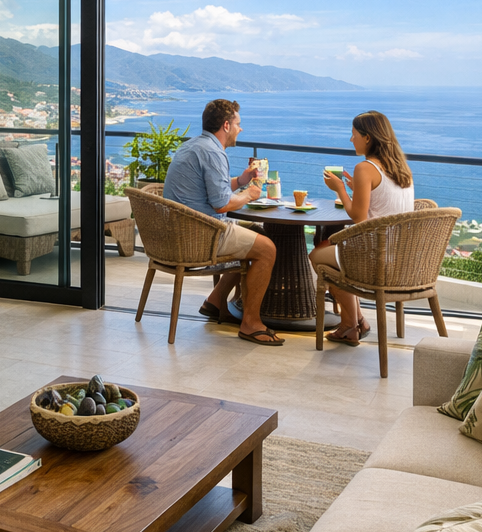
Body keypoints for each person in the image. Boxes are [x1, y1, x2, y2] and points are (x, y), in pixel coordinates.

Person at [162, 98, 283, 346]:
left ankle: (215, 301)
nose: (241, 129)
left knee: (257, 232)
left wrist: (240, 181)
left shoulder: (194, 146)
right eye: (238, 123)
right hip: (200, 237)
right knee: (267, 249)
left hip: (178, 233)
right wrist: (249, 194)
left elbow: (210, 189)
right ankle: (251, 324)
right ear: (226, 125)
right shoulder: (213, 152)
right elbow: (221, 204)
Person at [309, 110, 415, 345]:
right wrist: (357, 189)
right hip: (400, 256)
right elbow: (383, 206)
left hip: (375, 258)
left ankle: (349, 324)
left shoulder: (365, 168)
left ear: (367, 137)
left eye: (353, 134)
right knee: (331, 246)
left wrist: (340, 189)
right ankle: (357, 321)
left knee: (317, 256)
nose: (351, 139)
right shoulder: (401, 168)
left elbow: (358, 217)